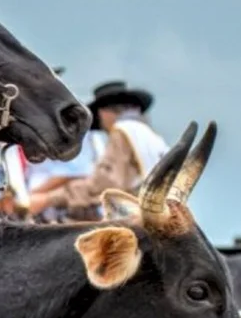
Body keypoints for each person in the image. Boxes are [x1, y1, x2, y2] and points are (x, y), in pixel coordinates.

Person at [27, 79, 169, 219]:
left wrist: (49, 199)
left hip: (132, 217)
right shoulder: (151, 137)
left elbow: (107, 184)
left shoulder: (122, 132)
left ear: (104, 112)